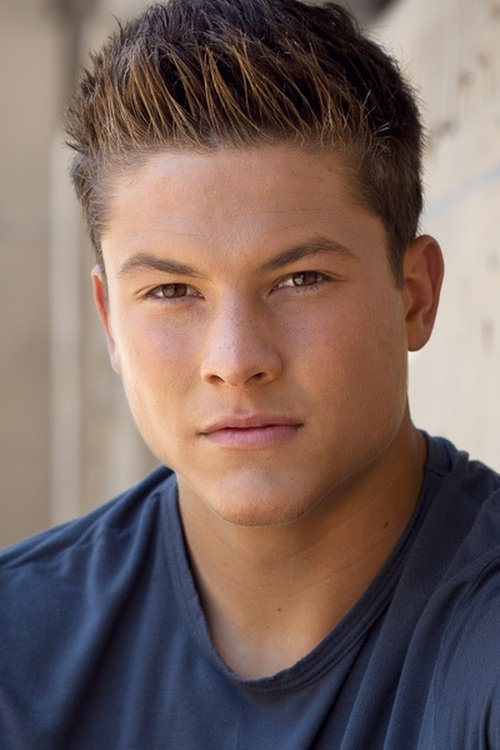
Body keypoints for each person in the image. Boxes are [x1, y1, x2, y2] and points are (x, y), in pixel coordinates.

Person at [1, 0, 499, 747]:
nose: (235, 362)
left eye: (300, 280)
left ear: (415, 296)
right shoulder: (18, 650)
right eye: (171, 291)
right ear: (110, 322)